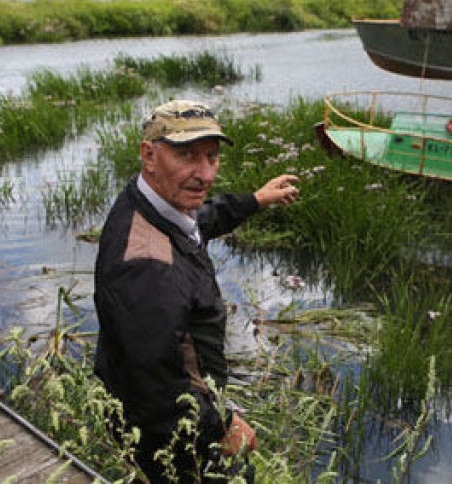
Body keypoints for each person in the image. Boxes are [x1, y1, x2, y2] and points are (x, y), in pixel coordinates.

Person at [92, 100, 300, 483]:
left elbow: (197, 223)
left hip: (175, 416)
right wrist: (223, 425)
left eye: (212, 157)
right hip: (172, 437)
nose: (204, 174)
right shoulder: (146, 267)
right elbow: (157, 383)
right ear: (149, 155)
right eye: (186, 155)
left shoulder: (151, 204)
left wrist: (254, 200)